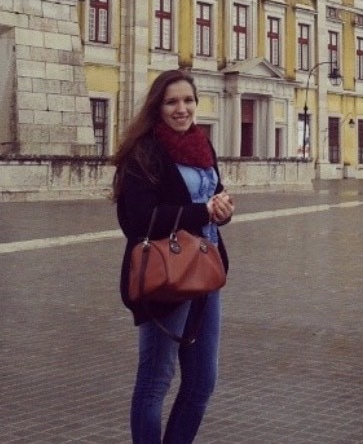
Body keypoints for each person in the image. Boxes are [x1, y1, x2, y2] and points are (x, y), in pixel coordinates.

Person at [112, 69, 235, 444]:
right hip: (164, 276)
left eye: (187, 101)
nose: (181, 109)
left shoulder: (202, 146)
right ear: (157, 106)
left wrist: (223, 208)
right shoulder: (144, 153)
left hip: (205, 273)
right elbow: (138, 220)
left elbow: (214, 192)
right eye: (171, 102)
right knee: (156, 380)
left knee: (201, 383)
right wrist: (202, 213)